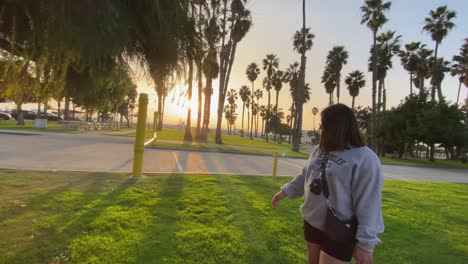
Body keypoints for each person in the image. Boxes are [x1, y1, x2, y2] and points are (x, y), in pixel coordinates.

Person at [272, 104, 384, 264]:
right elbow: (306, 174)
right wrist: (285, 192)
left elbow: (369, 202)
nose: (321, 128)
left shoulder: (365, 158)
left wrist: (366, 244)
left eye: (324, 125)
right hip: (312, 221)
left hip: (340, 228)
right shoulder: (320, 148)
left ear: (338, 127)